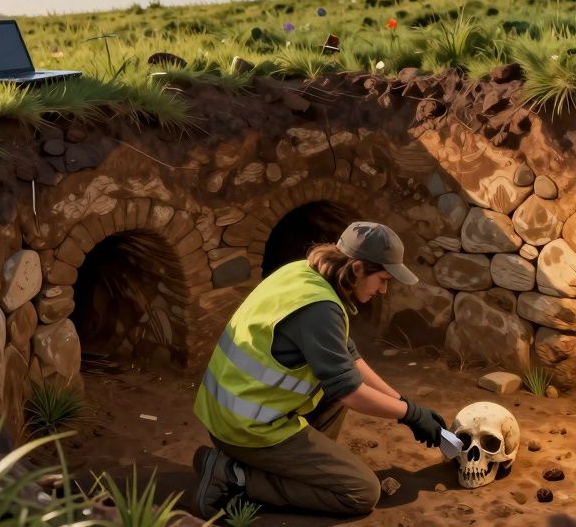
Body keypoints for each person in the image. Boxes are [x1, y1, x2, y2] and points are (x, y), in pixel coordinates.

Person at [191, 221, 448, 518]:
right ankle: (234, 477)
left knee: (335, 390)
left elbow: (349, 360)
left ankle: (269, 466)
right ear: (357, 269)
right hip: (247, 429)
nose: (384, 290)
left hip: (229, 414)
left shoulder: (305, 274)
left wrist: (404, 404)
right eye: (382, 279)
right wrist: (409, 415)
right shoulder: (319, 308)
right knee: (361, 492)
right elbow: (351, 392)